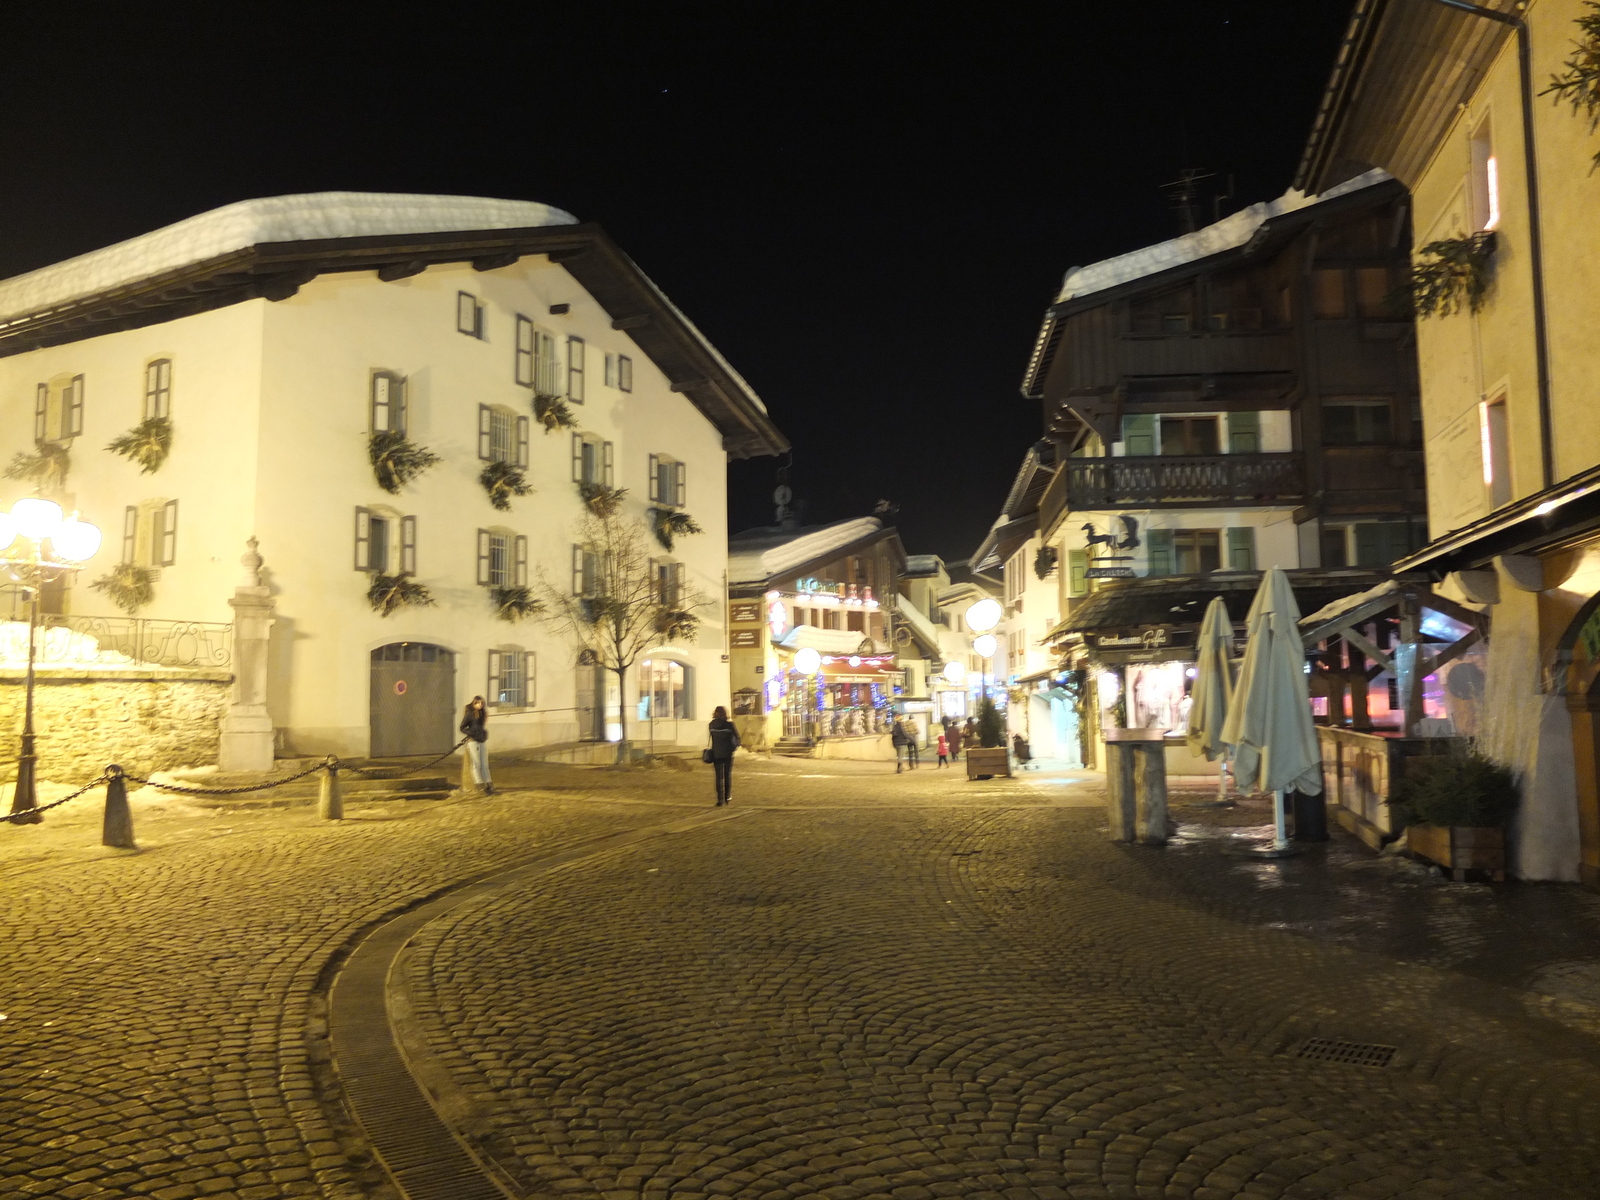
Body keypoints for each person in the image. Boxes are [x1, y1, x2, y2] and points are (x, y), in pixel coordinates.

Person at [707, 705, 740, 805]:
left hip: (716, 753)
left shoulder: (712, 725)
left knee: (718, 777)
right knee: (727, 775)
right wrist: (733, 748)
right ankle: (727, 797)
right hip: (728, 753)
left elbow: (713, 739)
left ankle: (719, 799)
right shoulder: (730, 725)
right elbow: (738, 739)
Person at [460, 696, 493, 794]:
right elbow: (462, 727)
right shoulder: (470, 714)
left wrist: (484, 733)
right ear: (474, 703)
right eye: (478, 703)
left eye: (482, 703)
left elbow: (481, 726)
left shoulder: (482, 713)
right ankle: (479, 784)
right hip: (473, 740)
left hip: (481, 739)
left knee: (484, 763)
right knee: (476, 763)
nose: (480, 705)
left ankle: (488, 783)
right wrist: (472, 733)